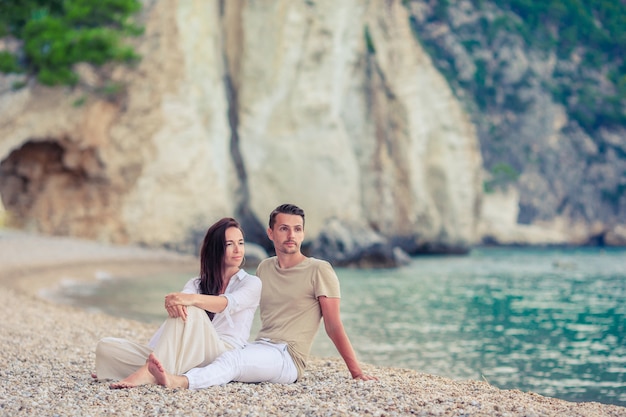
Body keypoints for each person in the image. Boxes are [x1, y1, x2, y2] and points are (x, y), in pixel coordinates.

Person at [144, 203, 377, 389]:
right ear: (270, 233)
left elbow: (333, 325)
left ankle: (180, 381)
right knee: (221, 357)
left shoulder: (319, 270)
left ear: (303, 234)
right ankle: (154, 369)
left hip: (288, 357)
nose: (291, 235)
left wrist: (356, 372)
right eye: (284, 228)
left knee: (231, 361)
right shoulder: (264, 269)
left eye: (297, 229)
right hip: (259, 346)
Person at [93, 217, 262, 389]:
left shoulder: (252, 283)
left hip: (222, 354)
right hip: (190, 351)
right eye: (229, 244)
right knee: (106, 347)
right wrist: (178, 302)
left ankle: (147, 372)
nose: (237, 250)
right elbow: (180, 306)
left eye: (240, 243)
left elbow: (227, 303)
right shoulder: (197, 283)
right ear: (215, 249)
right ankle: (156, 369)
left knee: (192, 310)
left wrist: (190, 299)